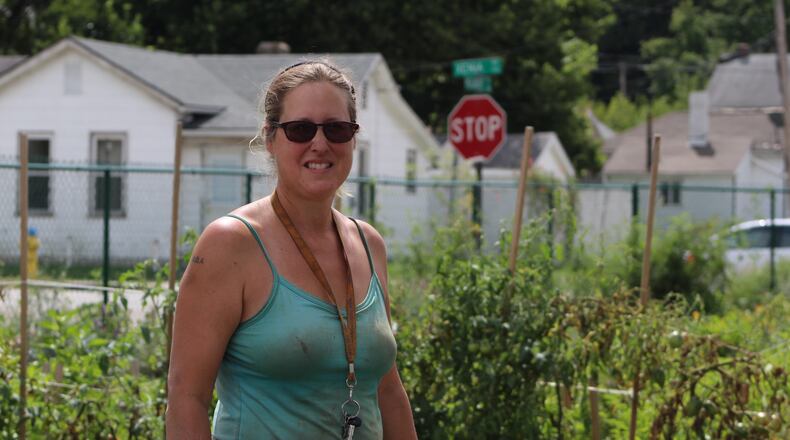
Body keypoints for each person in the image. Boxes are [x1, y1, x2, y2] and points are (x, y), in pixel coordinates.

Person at [166, 60, 418, 439]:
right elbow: (187, 398)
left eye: (336, 128)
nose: (320, 143)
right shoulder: (231, 244)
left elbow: (386, 391)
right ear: (270, 138)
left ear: (352, 137)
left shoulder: (369, 246)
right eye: (300, 129)